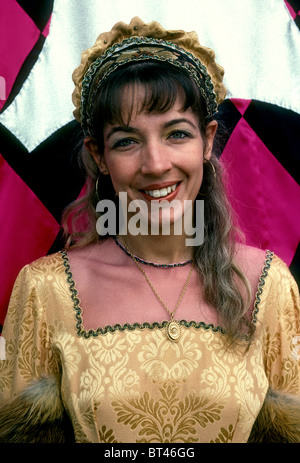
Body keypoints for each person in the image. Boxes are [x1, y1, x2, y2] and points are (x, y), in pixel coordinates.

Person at [0, 17, 299, 444]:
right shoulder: (45, 290)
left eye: (177, 133)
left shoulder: (268, 285)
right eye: (126, 141)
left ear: (207, 141)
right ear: (99, 156)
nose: (156, 164)